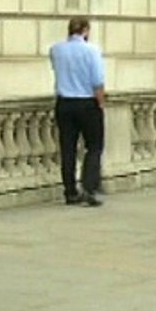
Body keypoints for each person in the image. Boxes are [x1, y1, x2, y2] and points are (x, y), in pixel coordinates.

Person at [49, 17, 105, 207]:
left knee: (68, 148)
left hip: (64, 103)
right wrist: (101, 103)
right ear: (86, 31)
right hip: (87, 103)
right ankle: (89, 188)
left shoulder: (56, 50)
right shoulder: (92, 50)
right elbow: (97, 81)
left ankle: (70, 191)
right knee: (94, 146)